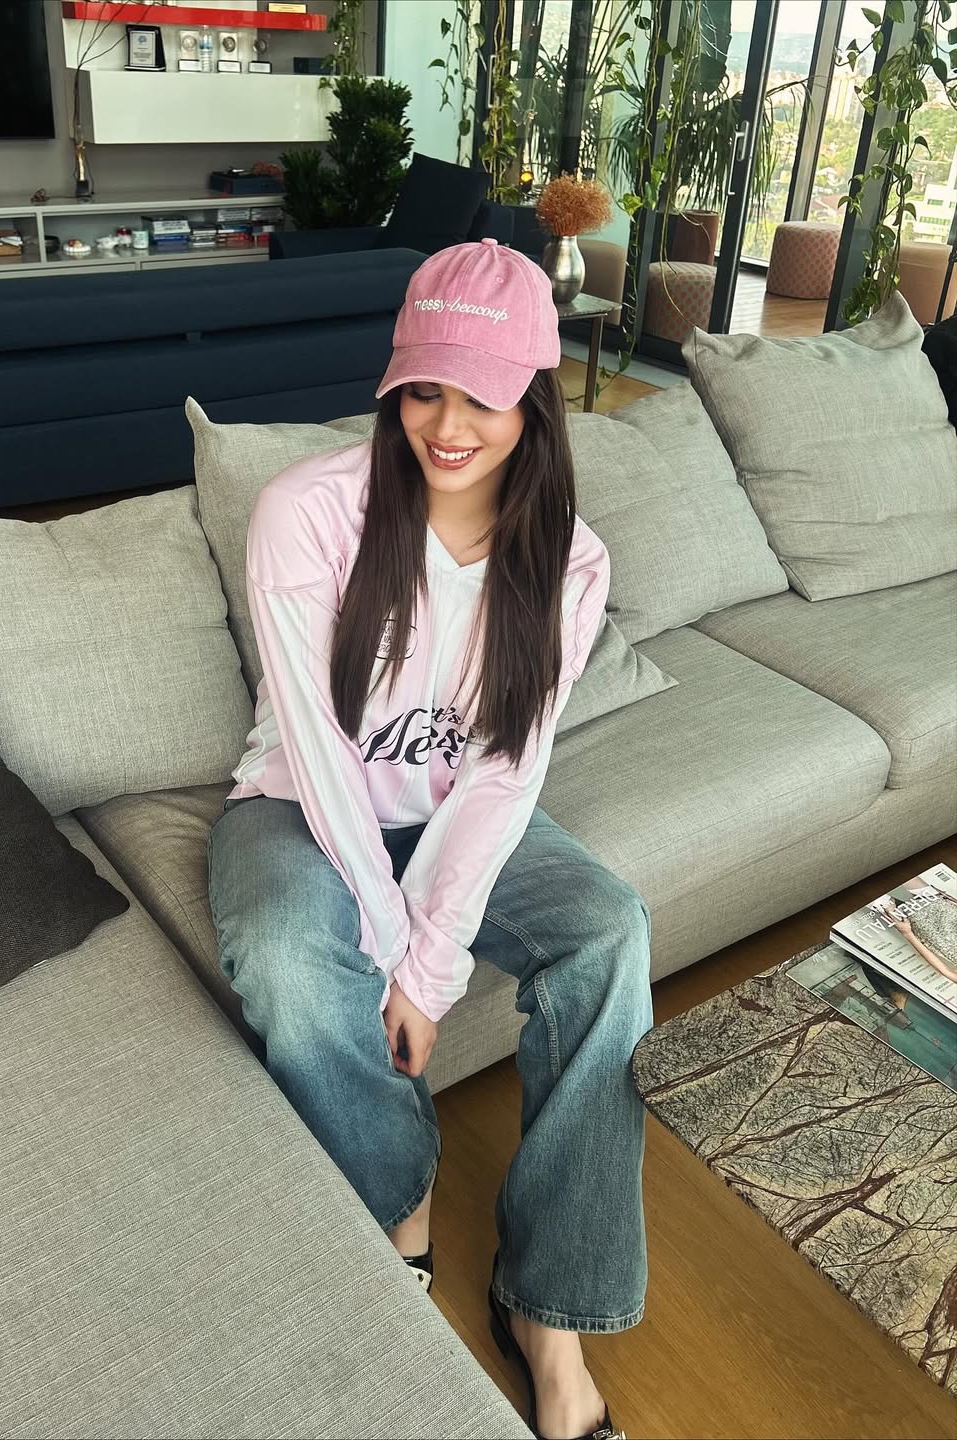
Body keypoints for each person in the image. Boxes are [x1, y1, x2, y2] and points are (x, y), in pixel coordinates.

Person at [207, 238, 653, 1440]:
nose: (447, 427)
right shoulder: (309, 513)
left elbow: (506, 774)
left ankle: (549, 1315)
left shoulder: (570, 562)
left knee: (610, 931)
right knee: (295, 967)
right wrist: (398, 949)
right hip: (300, 807)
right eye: (423, 389)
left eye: (482, 397)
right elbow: (317, 752)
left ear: (536, 398)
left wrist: (432, 960)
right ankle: (402, 1211)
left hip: (457, 816)